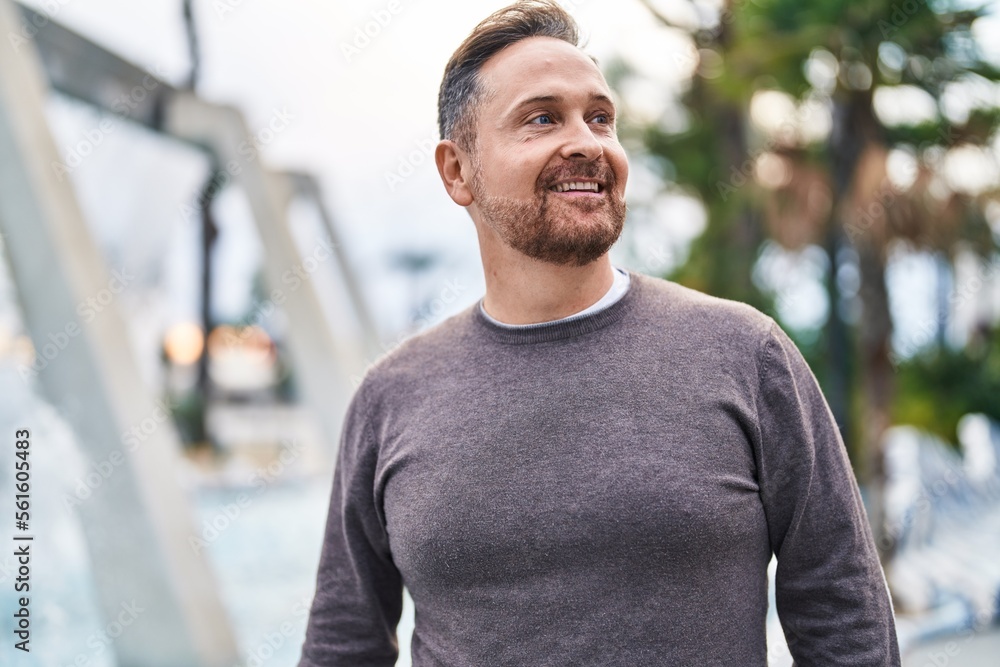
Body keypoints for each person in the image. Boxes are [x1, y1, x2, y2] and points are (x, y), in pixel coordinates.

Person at [297, 1, 901, 665]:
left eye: (601, 117)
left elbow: (845, 616)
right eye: (542, 118)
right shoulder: (390, 399)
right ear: (456, 170)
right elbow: (343, 642)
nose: (587, 141)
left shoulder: (747, 356)